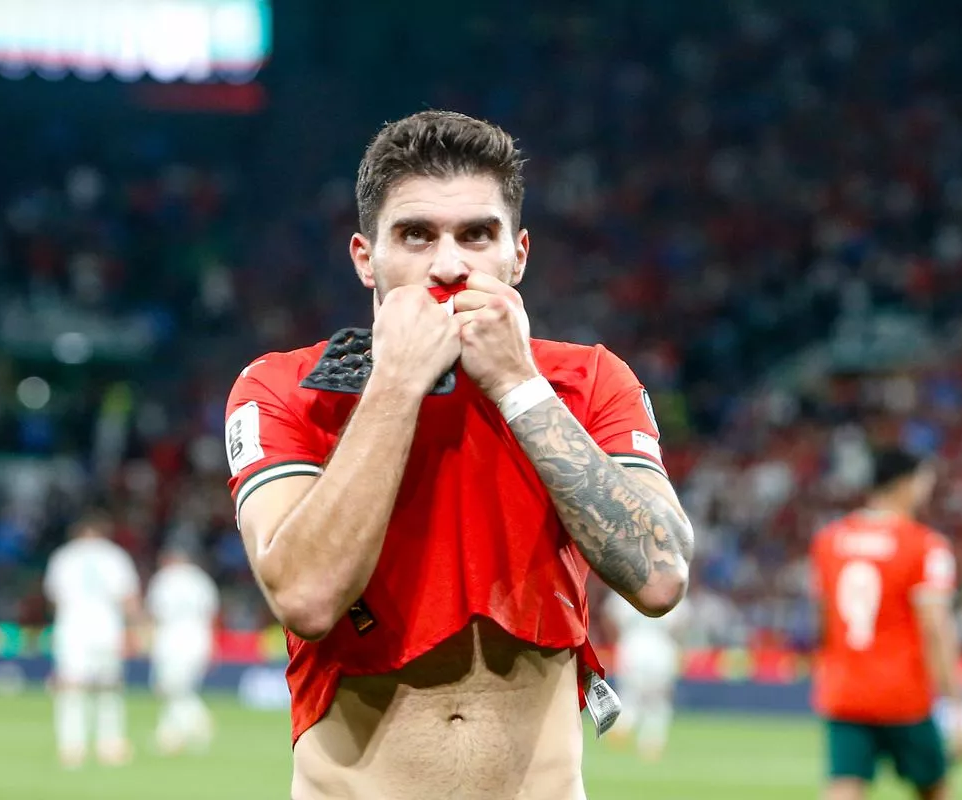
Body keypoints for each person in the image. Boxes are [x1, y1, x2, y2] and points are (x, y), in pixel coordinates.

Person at [224, 110, 694, 799]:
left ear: (519, 254)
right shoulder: (283, 390)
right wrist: (396, 383)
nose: (448, 264)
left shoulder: (589, 382)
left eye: (477, 234)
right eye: (415, 235)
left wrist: (517, 384)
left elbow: (659, 578)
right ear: (366, 257)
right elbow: (305, 596)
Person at [810, 448, 962, 800]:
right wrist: (959, 709)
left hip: (845, 690)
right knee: (933, 788)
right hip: (904, 694)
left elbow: (822, 618)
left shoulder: (830, 540)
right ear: (905, 484)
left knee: (844, 785)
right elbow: (937, 629)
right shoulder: (925, 546)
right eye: (923, 480)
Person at [43, 512, 141, 769]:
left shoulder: (64, 556)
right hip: (105, 626)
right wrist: (135, 630)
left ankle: (71, 746)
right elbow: (128, 597)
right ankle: (110, 744)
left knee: (71, 687)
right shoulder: (114, 556)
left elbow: (53, 597)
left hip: (72, 626)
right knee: (108, 687)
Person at [146, 544, 220, 755]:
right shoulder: (201, 580)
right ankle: (170, 735)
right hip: (198, 639)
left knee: (171, 688)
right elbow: (212, 614)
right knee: (180, 688)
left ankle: (199, 718)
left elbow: (155, 614)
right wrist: (213, 645)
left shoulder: (164, 579)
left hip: (171, 639)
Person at [602, 590, 690, 760]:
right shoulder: (672, 584)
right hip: (661, 650)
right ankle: (650, 741)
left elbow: (609, 615)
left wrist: (618, 640)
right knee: (657, 699)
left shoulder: (627, 586)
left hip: (632, 649)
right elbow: (681, 625)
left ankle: (622, 728)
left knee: (631, 695)